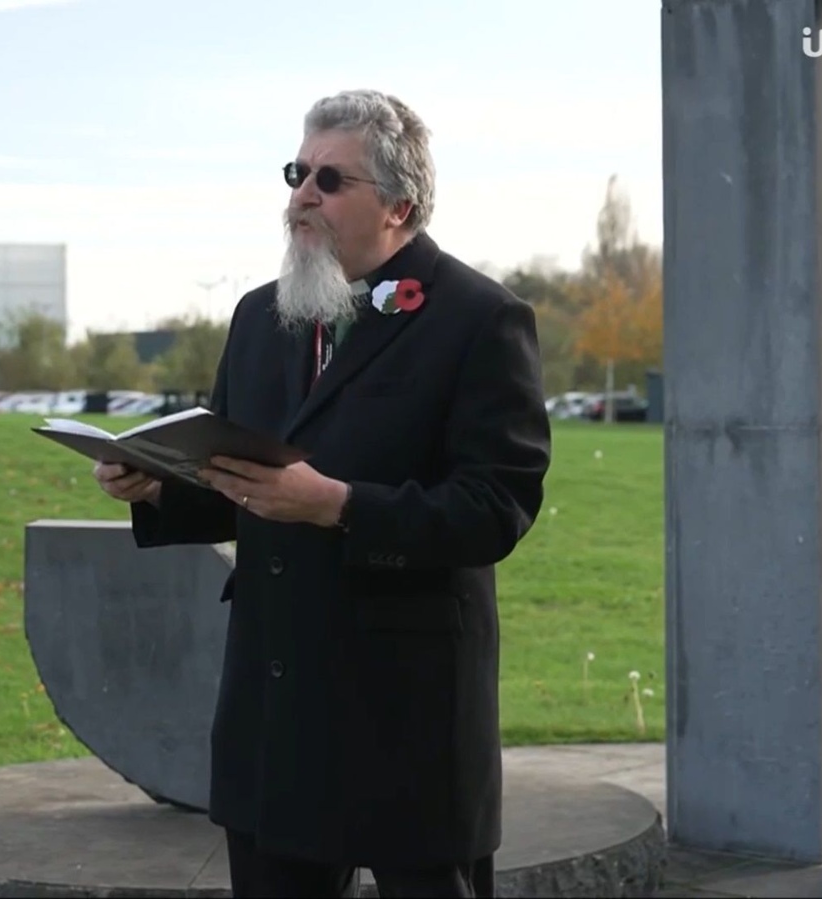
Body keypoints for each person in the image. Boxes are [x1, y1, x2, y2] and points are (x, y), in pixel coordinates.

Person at [93, 88, 552, 898]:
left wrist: (337, 505)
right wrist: (157, 486)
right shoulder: (260, 316)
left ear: (400, 205)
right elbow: (237, 481)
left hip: (406, 716)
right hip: (276, 713)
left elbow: (495, 507)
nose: (302, 194)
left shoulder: (481, 319)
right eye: (297, 172)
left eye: (330, 180)